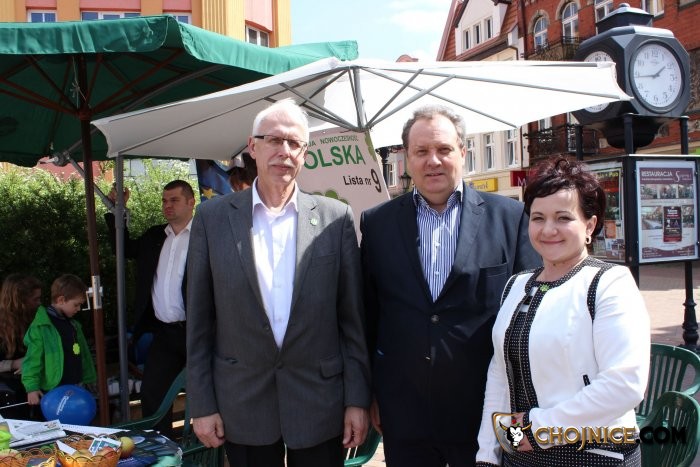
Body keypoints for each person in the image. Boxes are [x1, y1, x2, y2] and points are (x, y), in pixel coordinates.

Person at [186, 98, 370, 467]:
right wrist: (202, 404)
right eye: (273, 140)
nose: (284, 151)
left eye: (294, 143)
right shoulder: (211, 219)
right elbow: (199, 323)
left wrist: (357, 400)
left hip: (320, 403)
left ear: (305, 153)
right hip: (242, 404)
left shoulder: (336, 219)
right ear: (252, 147)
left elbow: (352, 321)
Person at [360, 105, 541, 467]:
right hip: (404, 412)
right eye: (421, 151)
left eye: (443, 149)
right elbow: (368, 317)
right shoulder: (377, 224)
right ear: (407, 158)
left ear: (462, 151)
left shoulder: (510, 218)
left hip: (487, 409)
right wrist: (371, 393)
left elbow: (530, 315)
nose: (433, 161)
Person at [476, 156, 650, 466]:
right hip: (521, 457)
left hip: (595, 456)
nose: (548, 229)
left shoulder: (609, 283)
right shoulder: (517, 285)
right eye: (538, 218)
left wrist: (537, 429)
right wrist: (488, 454)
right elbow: (500, 374)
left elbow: (624, 385)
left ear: (590, 225)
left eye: (563, 217)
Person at [105, 179, 195, 436]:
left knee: (208, 393)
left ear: (191, 202)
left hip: (198, 331)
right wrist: (117, 210)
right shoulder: (155, 236)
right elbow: (122, 248)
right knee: (153, 393)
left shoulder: (205, 236)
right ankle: (162, 449)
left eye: (174, 200)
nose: (167, 206)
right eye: (164, 201)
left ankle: (206, 450)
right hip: (164, 332)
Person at [22, 274, 96, 411]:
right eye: (76, 304)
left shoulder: (74, 325)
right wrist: (31, 388)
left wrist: (89, 379)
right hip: (54, 390)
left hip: (76, 386)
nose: (78, 309)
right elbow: (32, 360)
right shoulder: (41, 327)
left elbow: (84, 355)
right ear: (61, 300)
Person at [0, 273, 42, 419]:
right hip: (8, 395)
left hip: (34, 389)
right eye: (35, 299)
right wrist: (14, 364)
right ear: (19, 300)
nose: (39, 303)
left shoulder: (37, 319)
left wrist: (32, 364)